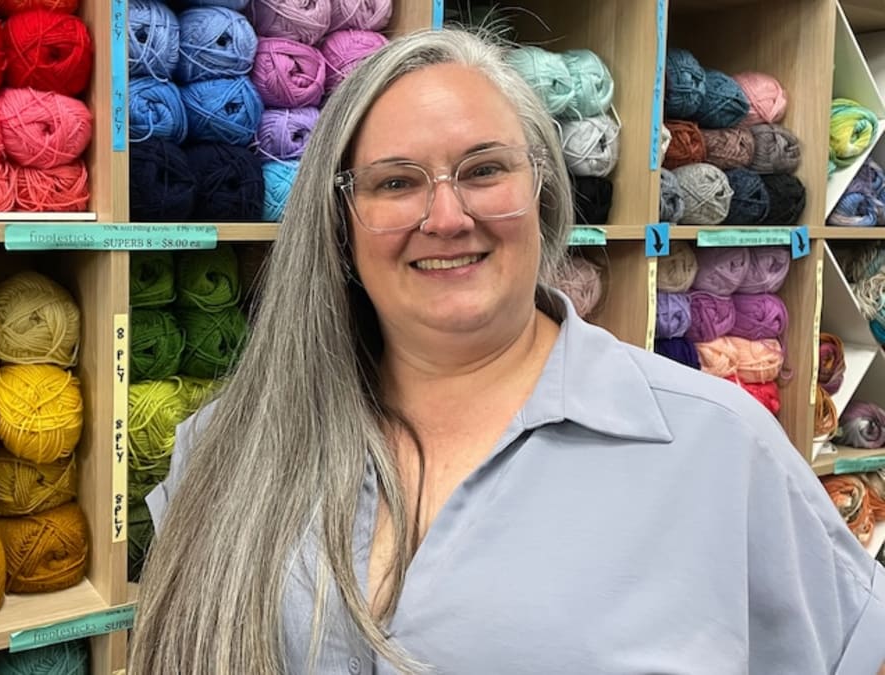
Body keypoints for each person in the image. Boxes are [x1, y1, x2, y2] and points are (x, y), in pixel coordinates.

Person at [127, 27, 885, 675]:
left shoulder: (720, 447)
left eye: (485, 169)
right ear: (340, 222)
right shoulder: (225, 448)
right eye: (396, 182)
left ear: (544, 194)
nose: (446, 216)